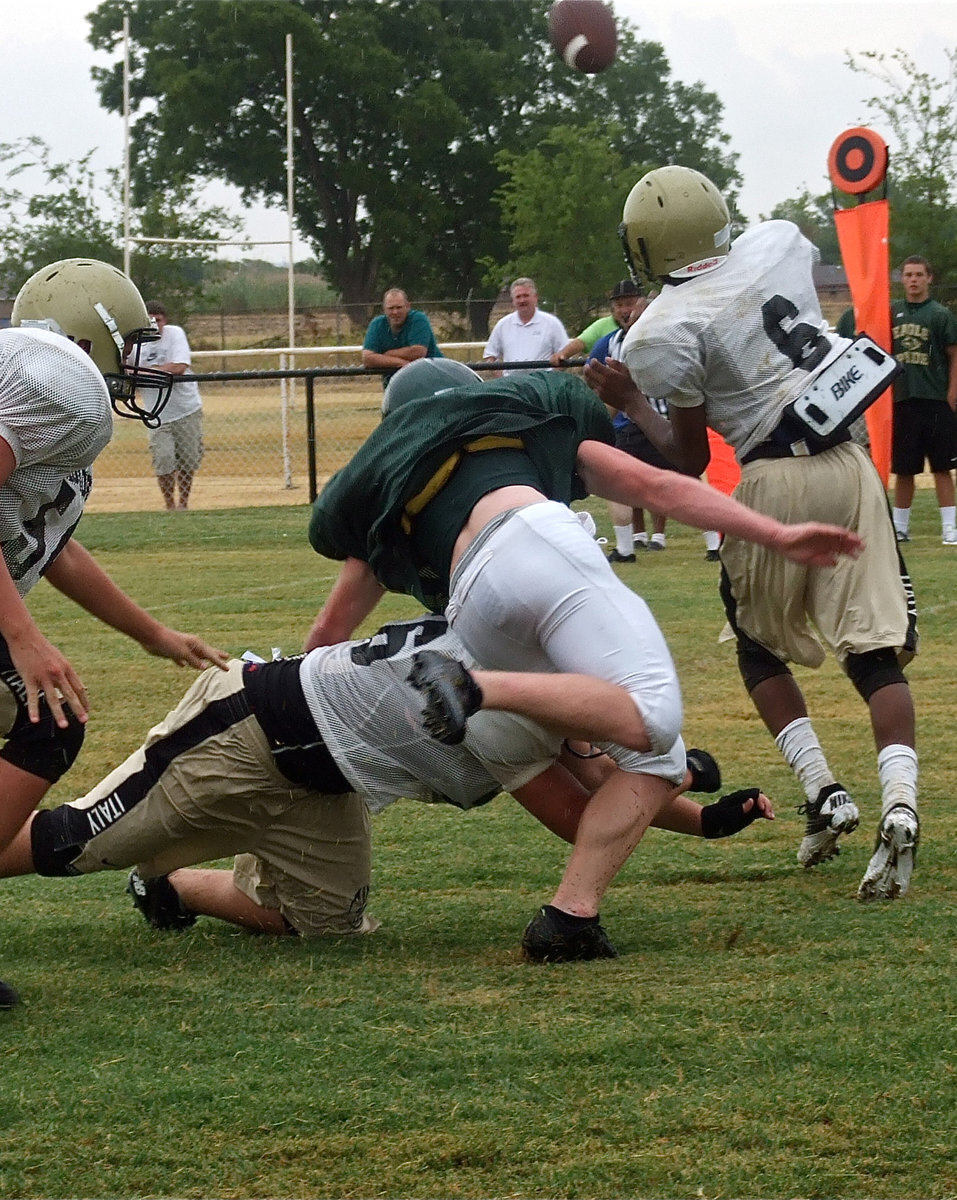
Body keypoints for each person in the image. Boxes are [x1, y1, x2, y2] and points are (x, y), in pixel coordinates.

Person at [304, 356, 861, 957]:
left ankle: (570, 917)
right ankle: (475, 689)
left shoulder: (395, 497)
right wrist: (775, 534)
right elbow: (656, 487)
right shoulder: (523, 430)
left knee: (658, 761)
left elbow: (323, 641)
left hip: (471, 610)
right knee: (654, 717)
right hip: (534, 544)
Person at [0, 614, 771, 945]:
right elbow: (583, 818)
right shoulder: (501, 701)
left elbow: (601, 779)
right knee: (64, 842)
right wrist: (669, 780)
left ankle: (163, 886)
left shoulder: (525, 677)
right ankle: (137, 858)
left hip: (322, 784)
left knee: (318, 926)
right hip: (246, 737)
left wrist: (702, 819)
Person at [585, 164, 921, 903]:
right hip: (851, 455)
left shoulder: (660, 331)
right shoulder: (778, 243)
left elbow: (689, 457)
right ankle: (901, 800)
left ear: (646, 245)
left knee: (758, 647)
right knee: (873, 651)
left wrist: (630, 401)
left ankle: (826, 792)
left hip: (775, 475)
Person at [0, 258, 229, 1007]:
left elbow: (48, 542)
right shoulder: (54, 386)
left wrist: (150, 633)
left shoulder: (56, 414)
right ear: (86, 336)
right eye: (129, 344)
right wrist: (28, 639)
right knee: (47, 718)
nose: (140, 363)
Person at [589, 293, 681, 562]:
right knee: (687, 478)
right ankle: (713, 544)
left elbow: (618, 392)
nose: (629, 317)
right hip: (650, 422)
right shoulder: (621, 341)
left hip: (651, 421)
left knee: (622, 483)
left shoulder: (634, 343)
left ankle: (629, 547)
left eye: (635, 314)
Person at [889, 257, 957, 545]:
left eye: (919, 274)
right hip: (903, 399)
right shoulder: (892, 311)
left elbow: (955, 356)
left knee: (942, 467)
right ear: (902, 279)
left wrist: (951, 395)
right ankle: (900, 527)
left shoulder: (940, 314)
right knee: (905, 468)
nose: (913, 280)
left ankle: (948, 526)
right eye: (908, 275)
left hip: (934, 400)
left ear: (929, 278)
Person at [138, 302, 205, 510]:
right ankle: (170, 506)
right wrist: (156, 372)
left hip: (186, 409)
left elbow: (179, 367)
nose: (154, 324)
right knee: (164, 462)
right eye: (149, 320)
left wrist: (146, 372)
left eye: (157, 320)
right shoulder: (136, 344)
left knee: (187, 460)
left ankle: (183, 504)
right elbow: (126, 371)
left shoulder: (175, 334)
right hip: (156, 414)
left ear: (164, 321)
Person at [483, 278, 569, 375]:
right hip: (512, 386)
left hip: (542, 385)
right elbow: (490, 356)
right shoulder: (503, 325)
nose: (522, 300)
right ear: (513, 300)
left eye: (526, 296)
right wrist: (504, 379)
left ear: (535, 297)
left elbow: (565, 355)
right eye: (518, 297)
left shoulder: (552, 323)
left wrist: (550, 379)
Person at [550, 278, 643, 367]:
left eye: (629, 304)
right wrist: (562, 355)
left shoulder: (651, 326)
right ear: (613, 307)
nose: (624, 310)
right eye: (619, 305)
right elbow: (581, 342)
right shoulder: (605, 336)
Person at [361, 287, 442, 383]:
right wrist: (401, 363)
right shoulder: (377, 324)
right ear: (384, 309)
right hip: (395, 386)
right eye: (391, 308)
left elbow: (418, 352)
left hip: (433, 379)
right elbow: (367, 359)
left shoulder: (419, 319)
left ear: (408, 306)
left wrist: (387, 354)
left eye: (399, 307)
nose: (395, 312)